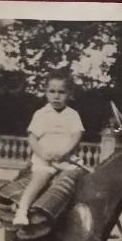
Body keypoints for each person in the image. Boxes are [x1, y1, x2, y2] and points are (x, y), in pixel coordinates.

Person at [12, 72, 86, 228]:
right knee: (40, 178)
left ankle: (89, 221)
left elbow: (76, 135)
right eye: (52, 91)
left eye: (61, 92)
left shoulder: (72, 115)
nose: (56, 96)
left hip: (66, 159)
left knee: (85, 181)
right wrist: (42, 154)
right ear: (46, 93)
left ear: (69, 94)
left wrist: (65, 152)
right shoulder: (41, 114)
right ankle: (22, 211)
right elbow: (32, 138)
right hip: (45, 160)